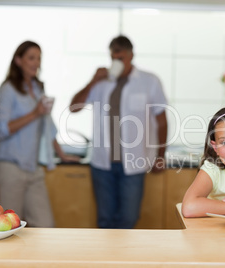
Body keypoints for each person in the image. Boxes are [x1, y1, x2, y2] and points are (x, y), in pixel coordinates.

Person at [69, 35, 168, 229]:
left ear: (131, 56)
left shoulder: (150, 81)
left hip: (134, 165)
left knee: (128, 220)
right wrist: (92, 81)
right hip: (102, 164)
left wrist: (160, 155)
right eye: (114, 58)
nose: (117, 62)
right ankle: (106, 260)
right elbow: (74, 107)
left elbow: (162, 121)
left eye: (121, 58)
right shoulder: (101, 83)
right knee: (105, 221)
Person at [0, 41, 80, 227]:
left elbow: (47, 126)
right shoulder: (8, 89)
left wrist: (62, 154)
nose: (36, 63)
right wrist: (35, 113)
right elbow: (2, 129)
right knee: (9, 228)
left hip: (33, 169)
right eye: (31, 58)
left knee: (45, 226)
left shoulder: (37, 88)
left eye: (39, 58)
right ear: (18, 60)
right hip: (11, 168)